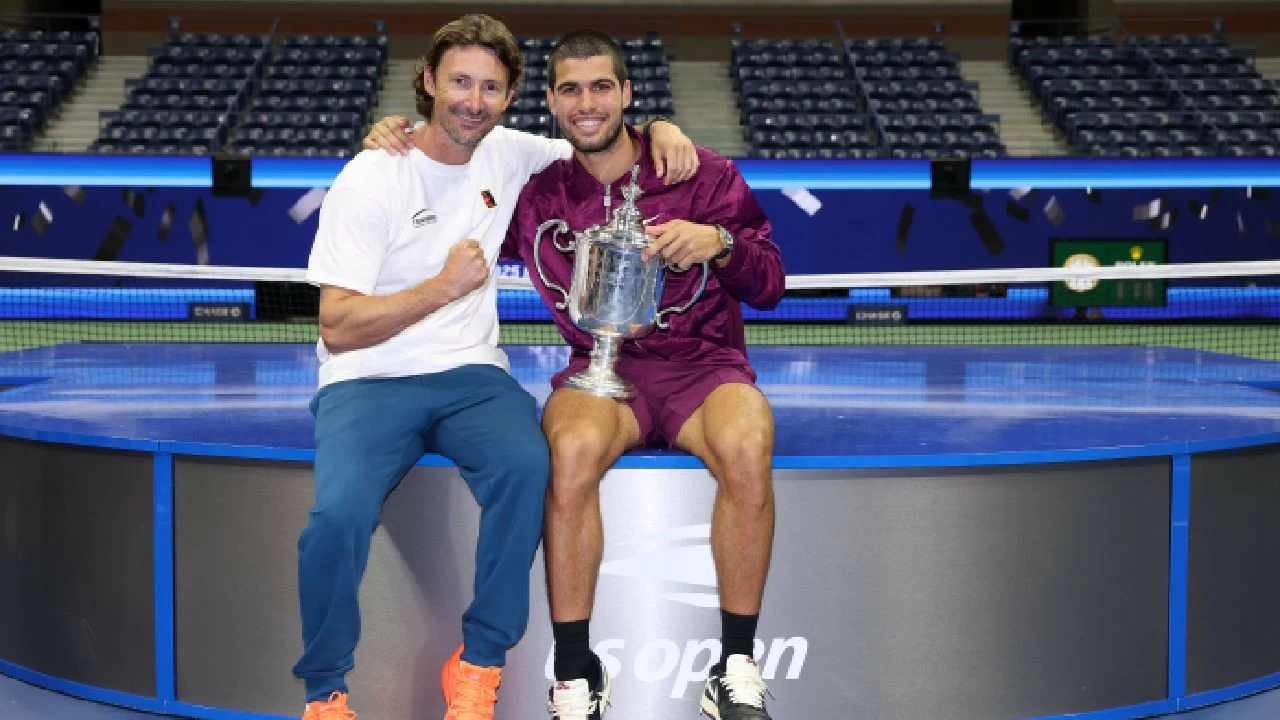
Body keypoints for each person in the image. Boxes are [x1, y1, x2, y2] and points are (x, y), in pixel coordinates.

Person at [364, 29, 784, 720]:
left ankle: (734, 665)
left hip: (704, 367)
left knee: (748, 444)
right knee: (568, 451)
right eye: (569, 89)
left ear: (625, 94)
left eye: (600, 87)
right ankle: (575, 672)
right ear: (552, 102)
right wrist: (400, 135)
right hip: (599, 371)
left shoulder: (700, 173)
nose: (586, 103)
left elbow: (769, 283)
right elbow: (444, 180)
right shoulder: (533, 190)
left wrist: (721, 243)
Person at [295, 15, 697, 720]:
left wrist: (660, 127)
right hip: (366, 381)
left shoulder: (512, 153)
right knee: (336, 516)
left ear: (510, 98)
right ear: (427, 81)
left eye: (490, 87)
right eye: (458, 82)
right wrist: (439, 289)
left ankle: (479, 666)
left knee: (527, 468)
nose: (472, 101)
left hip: (470, 376)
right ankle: (325, 691)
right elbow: (338, 325)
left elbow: (599, 133)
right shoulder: (368, 179)